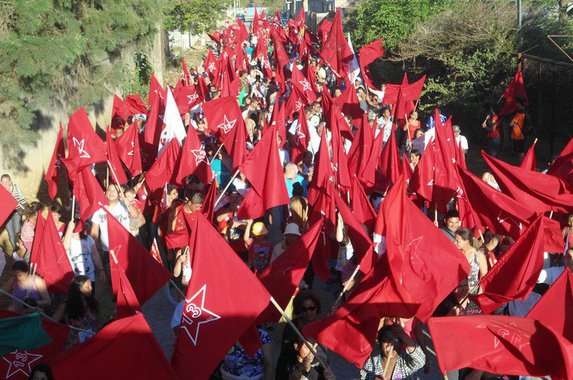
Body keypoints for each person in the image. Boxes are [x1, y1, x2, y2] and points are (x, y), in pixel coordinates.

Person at [276, 291, 336, 380]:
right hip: (296, 368)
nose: (309, 312)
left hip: (319, 365)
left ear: (317, 308)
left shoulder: (321, 324)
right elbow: (286, 353)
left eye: (312, 308)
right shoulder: (292, 327)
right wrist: (302, 362)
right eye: (304, 309)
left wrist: (333, 318)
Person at [360, 324, 426, 380]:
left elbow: (421, 360)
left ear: (401, 344)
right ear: (380, 343)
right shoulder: (370, 364)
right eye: (386, 340)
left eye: (396, 340)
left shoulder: (406, 362)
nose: (391, 344)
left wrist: (403, 335)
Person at [53, 275, 100, 348]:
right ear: (78, 289)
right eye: (87, 287)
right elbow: (53, 320)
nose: (91, 288)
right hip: (76, 342)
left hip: (94, 338)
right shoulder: (66, 304)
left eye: (91, 285)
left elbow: (98, 320)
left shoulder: (92, 301)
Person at [63, 220, 106, 288]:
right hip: (75, 277)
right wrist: (69, 229)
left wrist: (101, 269)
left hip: (89, 276)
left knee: (90, 295)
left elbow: (95, 255)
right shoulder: (68, 238)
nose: (85, 232)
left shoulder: (88, 239)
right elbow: (65, 247)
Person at [454, 228, 488, 295]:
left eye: (458, 241)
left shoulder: (479, 255)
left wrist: (480, 292)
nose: (455, 243)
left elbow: (485, 276)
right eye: (455, 240)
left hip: (472, 292)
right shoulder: (455, 254)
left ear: (466, 241)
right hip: (456, 292)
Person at [1, 174, 28, 251]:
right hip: (6, 216)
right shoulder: (1, 191)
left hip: (16, 214)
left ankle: (21, 250)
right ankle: (16, 252)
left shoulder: (15, 188)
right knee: (10, 234)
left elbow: (22, 200)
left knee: (17, 233)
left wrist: (27, 211)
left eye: (6, 182)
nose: (5, 184)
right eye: (3, 182)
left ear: (10, 182)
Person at [510, 97, 527, 161]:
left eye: (517, 103)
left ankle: (522, 166)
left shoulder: (519, 113)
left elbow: (511, 123)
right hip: (521, 134)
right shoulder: (525, 112)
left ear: (519, 103)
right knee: (520, 151)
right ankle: (522, 165)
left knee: (520, 152)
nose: (516, 104)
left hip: (518, 135)